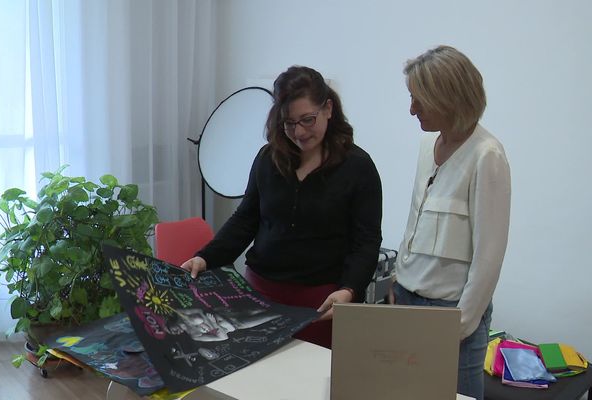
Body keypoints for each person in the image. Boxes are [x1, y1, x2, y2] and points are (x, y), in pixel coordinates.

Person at [181, 65, 383, 348]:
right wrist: (206, 258)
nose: (299, 132)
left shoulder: (358, 167)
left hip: (321, 304)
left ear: (328, 108)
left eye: (307, 120)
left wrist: (349, 290)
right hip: (260, 296)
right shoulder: (268, 158)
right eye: (289, 123)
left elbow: (367, 241)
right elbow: (245, 219)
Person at [390, 45, 511, 400]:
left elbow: (489, 257)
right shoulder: (428, 146)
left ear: (449, 98)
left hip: (449, 316)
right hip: (408, 301)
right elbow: (414, 222)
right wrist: (399, 278)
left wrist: (458, 325)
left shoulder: (487, 155)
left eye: (419, 100)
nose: (412, 110)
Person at [165, 306, 282, 342]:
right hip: (237, 325)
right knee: (272, 315)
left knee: (266, 307)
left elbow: (200, 310)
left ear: (169, 323)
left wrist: (207, 320)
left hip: (231, 312)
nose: (176, 332)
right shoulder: (195, 335)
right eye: (174, 334)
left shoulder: (181, 313)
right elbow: (223, 337)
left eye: (171, 329)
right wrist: (213, 324)